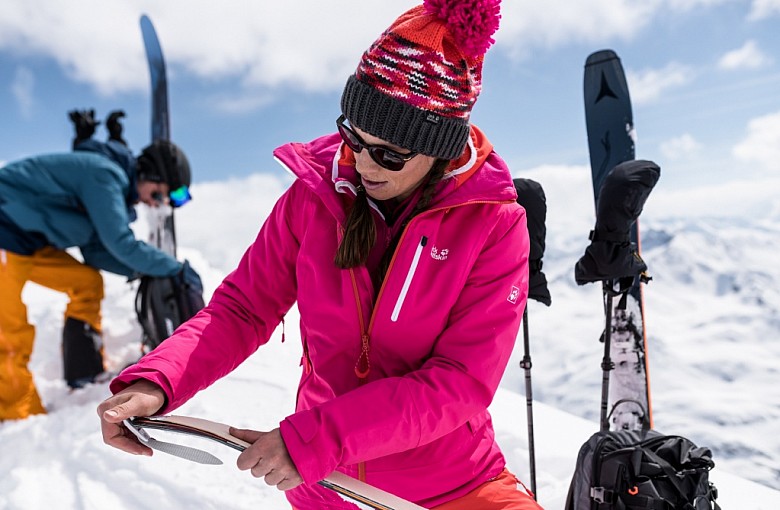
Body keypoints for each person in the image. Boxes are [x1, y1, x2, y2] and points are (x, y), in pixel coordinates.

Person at [98, 1, 539, 508]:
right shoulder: (313, 198)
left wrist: (319, 438)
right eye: (354, 136)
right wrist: (159, 379)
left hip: (448, 484)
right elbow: (243, 307)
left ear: (438, 147)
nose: (363, 162)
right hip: (324, 483)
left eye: (390, 153)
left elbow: (459, 381)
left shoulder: (493, 225)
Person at [0, 109, 201, 421]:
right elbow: (118, 241)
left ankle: (84, 370)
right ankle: (16, 414)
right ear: (152, 175)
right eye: (163, 193)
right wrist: (170, 268)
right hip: (5, 234)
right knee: (10, 330)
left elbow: (97, 253)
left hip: (29, 245)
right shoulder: (103, 175)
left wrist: (141, 270)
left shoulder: (112, 189)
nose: (158, 203)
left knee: (86, 282)